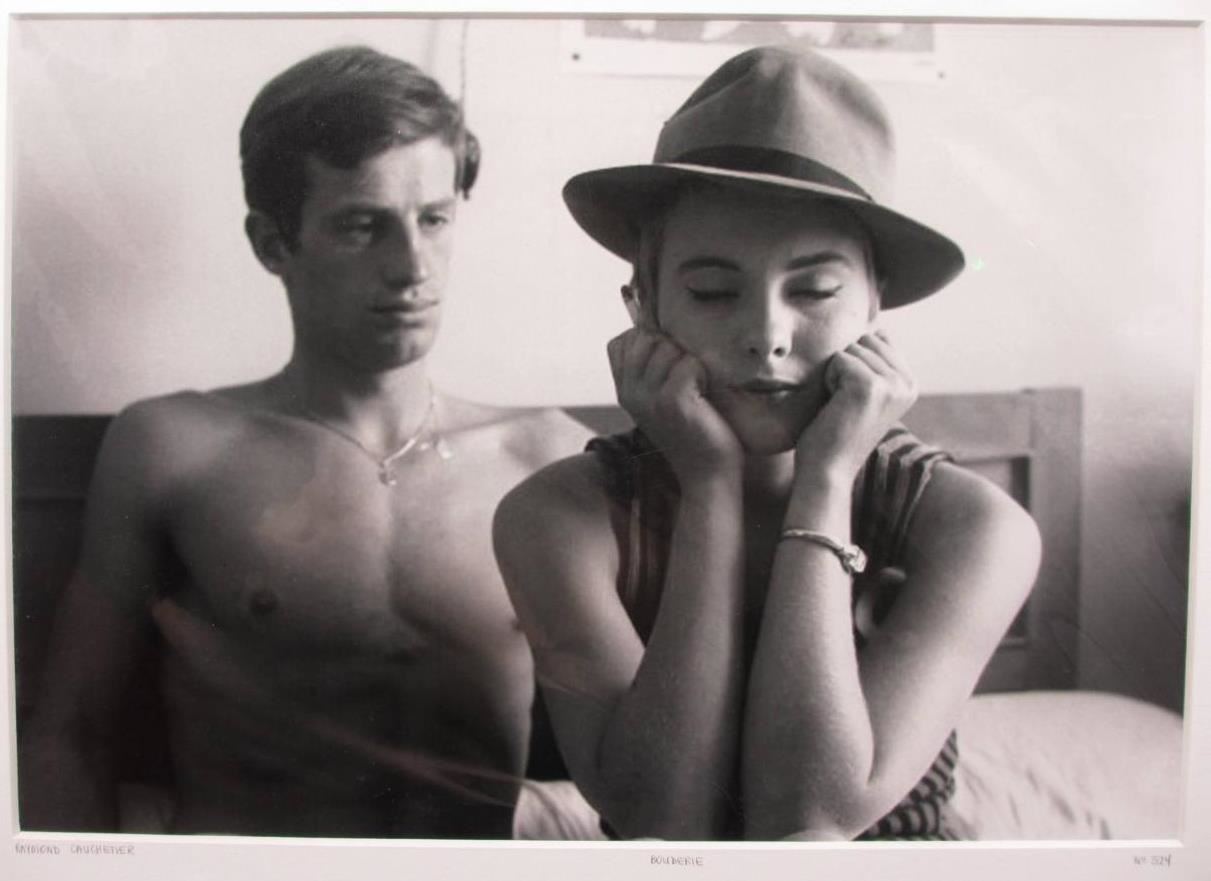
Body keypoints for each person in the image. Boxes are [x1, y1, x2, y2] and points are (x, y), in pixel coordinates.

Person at [19, 45, 590, 838]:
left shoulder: (546, 460)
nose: (412, 267)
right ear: (271, 243)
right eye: (362, 225)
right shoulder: (174, 449)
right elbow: (68, 734)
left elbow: (650, 765)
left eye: (433, 219)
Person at [493, 44, 1041, 841]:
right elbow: (662, 823)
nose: (766, 335)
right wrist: (709, 485)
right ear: (643, 307)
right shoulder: (556, 518)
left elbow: (808, 822)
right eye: (713, 291)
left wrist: (826, 479)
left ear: (874, 306)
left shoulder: (974, 528)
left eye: (814, 289)